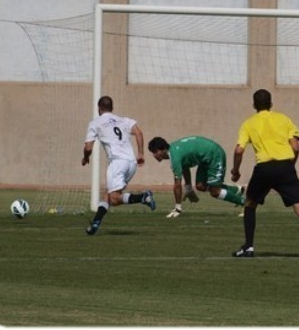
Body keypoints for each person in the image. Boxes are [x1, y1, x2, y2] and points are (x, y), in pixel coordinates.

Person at [230, 89, 299, 259]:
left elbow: (239, 150)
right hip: (285, 167)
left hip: (264, 168)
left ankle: (248, 247)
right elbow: (295, 146)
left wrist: (235, 171)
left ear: (254, 105)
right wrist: (290, 166)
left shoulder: (248, 124)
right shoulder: (283, 119)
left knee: (250, 204)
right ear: (271, 103)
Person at [82, 96, 155, 235]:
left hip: (117, 163)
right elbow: (138, 132)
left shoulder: (95, 123)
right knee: (108, 195)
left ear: (99, 109)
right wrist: (140, 154)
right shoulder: (123, 120)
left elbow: (88, 148)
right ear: (112, 108)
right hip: (131, 163)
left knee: (114, 199)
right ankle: (96, 223)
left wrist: (85, 158)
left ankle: (143, 197)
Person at [148, 136, 245, 217]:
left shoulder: (175, 157)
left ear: (163, 149)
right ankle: (236, 190)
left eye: (155, 152)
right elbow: (185, 167)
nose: (154, 155)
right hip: (205, 158)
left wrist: (178, 208)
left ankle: (245, 203)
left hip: (214, 155)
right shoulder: (174, 150)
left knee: (215, 192)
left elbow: (177, 184)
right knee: (200, 186)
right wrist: (189, 189)